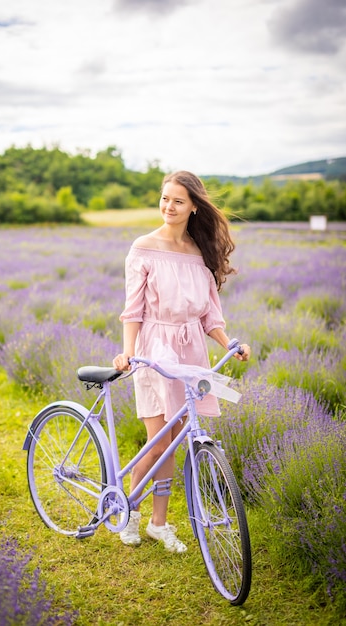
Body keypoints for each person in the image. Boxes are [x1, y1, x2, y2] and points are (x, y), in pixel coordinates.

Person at [112, 170, 251, 553]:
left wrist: (229, 343)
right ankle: (129, 512)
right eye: (164, 198)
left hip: (192, 353)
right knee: (157, 444)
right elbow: (132, 310)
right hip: (154, 349)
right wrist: (128, 351)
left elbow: (210, 315)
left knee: (177, 444)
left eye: (177, 200)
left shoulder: (199, 253)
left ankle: (160, 523)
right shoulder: (143, 247)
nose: (168, 206)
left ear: (193, 207)